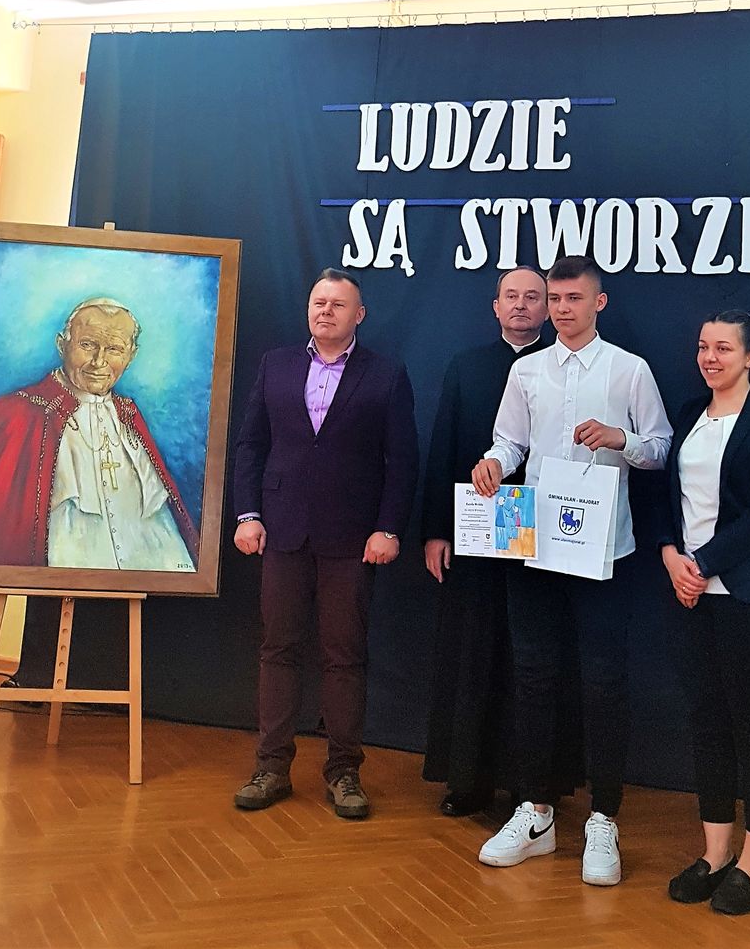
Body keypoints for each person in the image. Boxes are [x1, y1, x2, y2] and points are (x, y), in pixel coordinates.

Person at [471, 254, 672, 886]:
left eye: (573, 299)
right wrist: (494, 463)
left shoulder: (629, 369)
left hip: (603, 552)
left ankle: (604, 818)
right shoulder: (526, 370)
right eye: (554, 299)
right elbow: (510, 442)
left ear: (598, 302)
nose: (561, 309)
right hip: (535, 545)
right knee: (533, 677)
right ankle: (536, 813)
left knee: (603, 683)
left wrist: (620, 439)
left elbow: (660, 447)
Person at [231, 268, 419, 819]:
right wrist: (248, 514)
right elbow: (251, 445)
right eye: (319, 302)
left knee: (344, 655)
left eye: (338, 304)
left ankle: (344, 772)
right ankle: (271, 767)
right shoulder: (276, 364)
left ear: (359, 315)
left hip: (353, 539)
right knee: (278, 649)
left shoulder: (386, 374)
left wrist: (388, 527)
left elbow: (402, 460)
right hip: (281, 530)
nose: (326, 311)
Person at [422, 267, 580, 817]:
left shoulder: (563, 369)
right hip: (475, 533)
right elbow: (443, 448)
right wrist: (436, 530)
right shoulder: (466, 366)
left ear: (548, 308)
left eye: (533, 297)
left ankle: (528, 785)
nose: (521, 305)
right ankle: (467, 780)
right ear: (495, 306)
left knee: (530, 658)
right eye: (511, 296)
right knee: (473, 653)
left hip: (546, 538)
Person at [659, 310, 750, 915]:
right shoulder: (690, 412)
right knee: (708, 721)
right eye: (702, 347)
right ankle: (716, 854)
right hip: (690, 593)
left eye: (723, 348)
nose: (709, 358)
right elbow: (668, 496)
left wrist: (703, 563)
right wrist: (671, 556)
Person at [0, 297, 198, 570]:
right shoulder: (15, 413)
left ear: (131, 355)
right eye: (87, 345)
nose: (99, 362)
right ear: (62, 345)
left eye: (114, 349)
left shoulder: (129, 414)